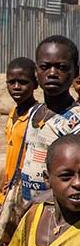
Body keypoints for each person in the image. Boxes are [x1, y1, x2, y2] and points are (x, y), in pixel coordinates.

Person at [13, 35, 80, 229]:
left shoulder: (79, 121)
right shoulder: (34, 112)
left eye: (62, 67)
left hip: (55, 215)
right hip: (25, 209)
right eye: (45, 67)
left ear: (75, 73)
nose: (52, 73)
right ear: (36, 72)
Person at [1, 58, 39, 205]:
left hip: (25, 193)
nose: (16, 87)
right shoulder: (12, 113)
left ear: (35, 84)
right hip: (7, 190)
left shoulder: (36, 117)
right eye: (11, 82)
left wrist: (19, 180)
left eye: (23, 82)